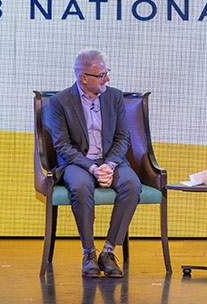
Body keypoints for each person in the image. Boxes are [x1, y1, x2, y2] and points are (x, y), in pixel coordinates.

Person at [43, 49, 141, 278]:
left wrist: (109, 165)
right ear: (83, 78)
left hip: (111, 161)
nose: (107, 79)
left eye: (107, 73)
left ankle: (108, 251)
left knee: (132, 186)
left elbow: (122, 138)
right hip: (76, 162)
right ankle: (88, 253)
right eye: (101, 75)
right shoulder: (60, 102)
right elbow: (63, 146)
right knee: (80, 187)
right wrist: (92, 167)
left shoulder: (114, 97)